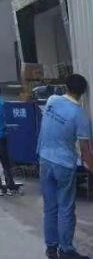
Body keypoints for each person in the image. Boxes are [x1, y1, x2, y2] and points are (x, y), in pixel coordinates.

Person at [37, 73, 93, 259]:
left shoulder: (52, 101)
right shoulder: (80, 116)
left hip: (44, 160)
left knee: (50, 207)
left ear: (66, 87)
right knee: (66, 208)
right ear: (83, 93)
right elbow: (85, 152)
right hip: (63, 164)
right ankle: (66, 249)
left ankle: (51, 248)